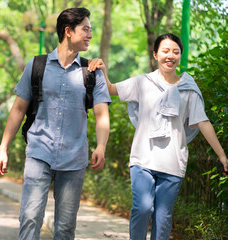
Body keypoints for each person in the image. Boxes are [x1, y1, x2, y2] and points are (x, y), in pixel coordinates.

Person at [88, 33, 228, 240]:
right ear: (155, 55)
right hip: (143, 159)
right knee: (143, 208)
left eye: (175, 52)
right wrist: (102, 69)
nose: (170, 55)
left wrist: (222, 155)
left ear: (180, 56)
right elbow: (111, 89)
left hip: (173, 162)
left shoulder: (189, 89)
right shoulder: (142, 82)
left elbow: (203, 122)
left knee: (163, 219)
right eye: (165, 51)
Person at [0, 7, 111, 240]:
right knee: (29, 217)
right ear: (68, 31)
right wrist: (3, 148)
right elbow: (18, 109)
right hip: (39, 153)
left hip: (74, 158)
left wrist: (101, 146)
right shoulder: (37, 66)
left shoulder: (92, 72)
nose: (90, 35)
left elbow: (101, 114)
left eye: (91, 30)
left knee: (65, 227)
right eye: (85, 29)